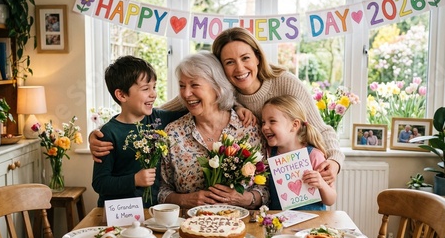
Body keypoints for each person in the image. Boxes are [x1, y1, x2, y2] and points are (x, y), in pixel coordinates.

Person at [209, 27, 343, 185]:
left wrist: (335, 161)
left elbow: (320, 128)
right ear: (221, 68)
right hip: (265, 177)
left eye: (245, 58)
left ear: (258, 57)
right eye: (229, 62)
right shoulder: (224, 91)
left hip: (303, 173)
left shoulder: (285, 82)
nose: (239, 68)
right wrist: (236, 106)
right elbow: (189, 94)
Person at [158, 51, 268, 209]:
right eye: (182, 86)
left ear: (217, 87)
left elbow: (264, 189)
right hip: (189, 226)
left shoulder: (248, 128)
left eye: (194, 85)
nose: (186, 93)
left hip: (241, 226)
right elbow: (162, 190)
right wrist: (184, 200)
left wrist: (245, 199)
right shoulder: (173, 133)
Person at [91, 56, 185, 208]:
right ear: (121, 95)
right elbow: (100, 183)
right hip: (118, 214)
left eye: (154, 87)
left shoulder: (159, 119)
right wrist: (134, 180)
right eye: (145, 88)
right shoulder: (108, 133)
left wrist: (237, 106)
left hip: (152, 211)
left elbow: (191, 107)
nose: (153, 94)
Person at [261, 95, 336, 210]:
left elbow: (331, 200)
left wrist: (321, 183)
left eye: (272, 121)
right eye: (263, 122)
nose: (265, 127)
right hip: (279, 223)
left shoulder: (314, 155)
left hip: (312, 223)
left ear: (294, 125)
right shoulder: (269, 154)